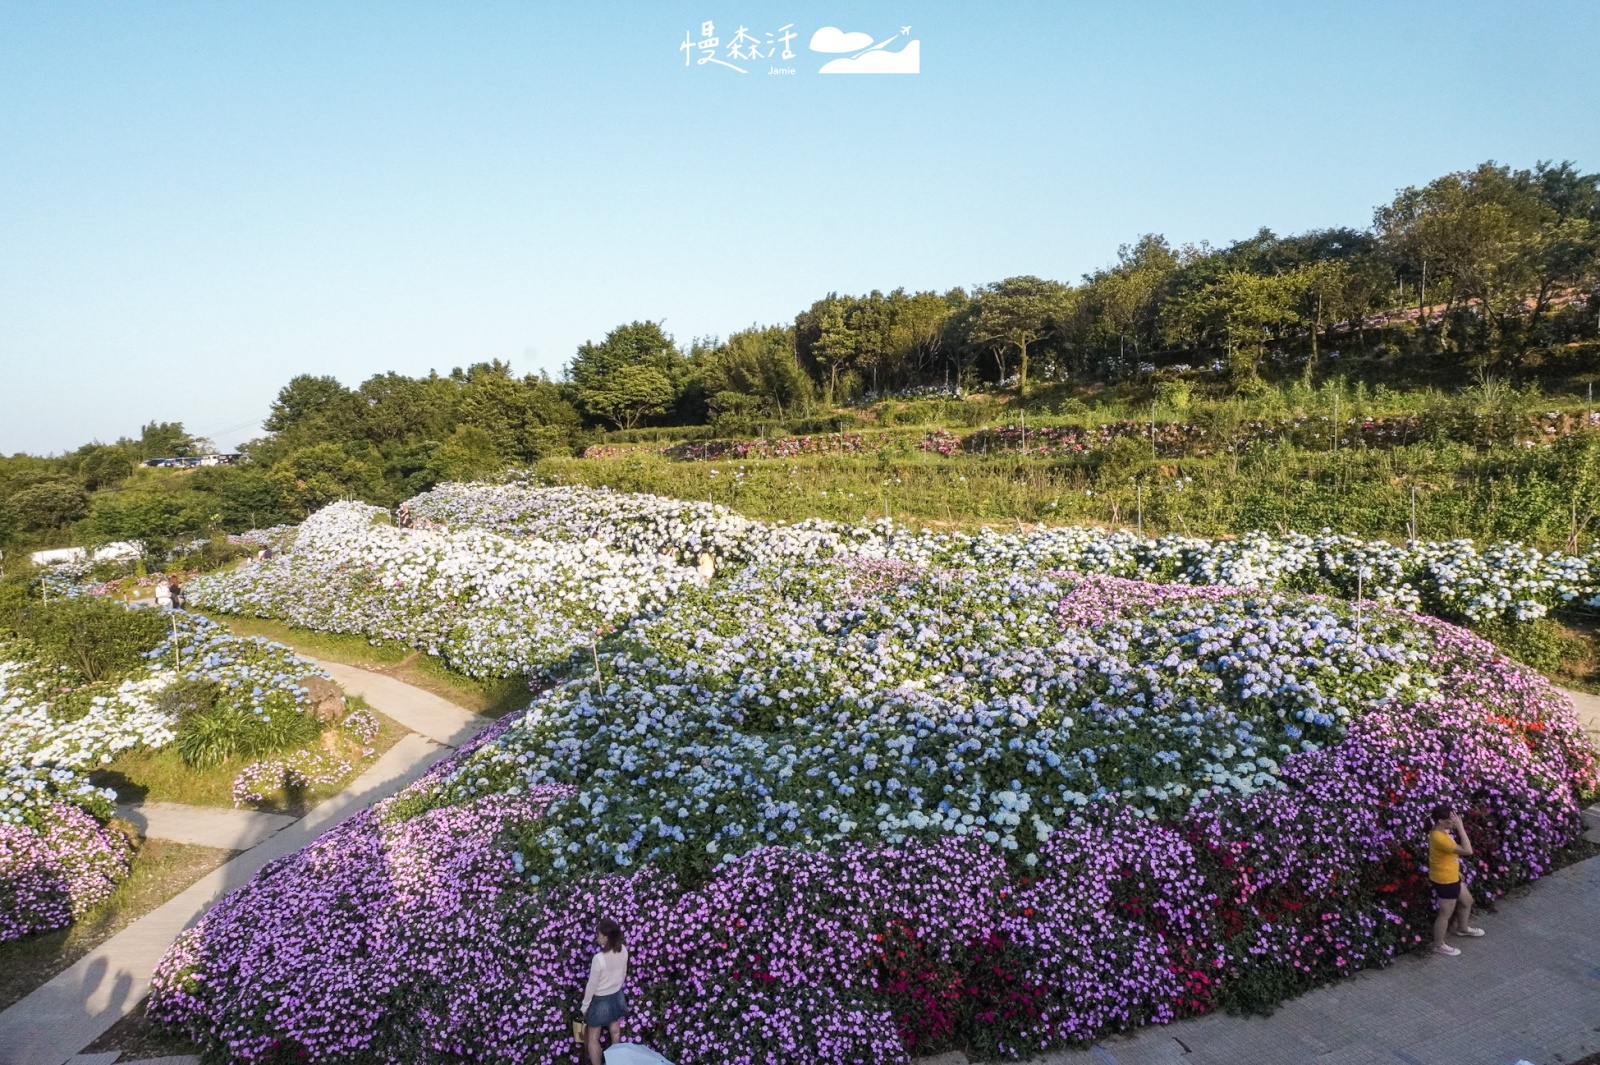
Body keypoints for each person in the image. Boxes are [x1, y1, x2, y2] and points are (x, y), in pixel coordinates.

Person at [1428, 803, 1485, 956]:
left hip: (1452, 876)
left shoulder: (1443, 832)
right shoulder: (1439, 837)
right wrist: (1460, 828)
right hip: (1445, 880)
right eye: (1451, 820)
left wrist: (1456, 870)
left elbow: (1445, 857)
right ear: (1440, 821)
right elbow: (1468, 850)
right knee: (1445, 913)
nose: (1453, 822)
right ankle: (1438, 945)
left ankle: (1463, 929)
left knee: (1467, 901)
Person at [581, 918, 628, 1065]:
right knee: (615, 1031)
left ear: (606, 937)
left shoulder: (599, 959)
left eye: (598, 934)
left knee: (593, 1038)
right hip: (617, 996)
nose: (597, 937)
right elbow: (623, 974)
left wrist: (585, 1006)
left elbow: (591, 986)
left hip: (601, 1000)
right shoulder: (623, 950)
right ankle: (616, 1062)